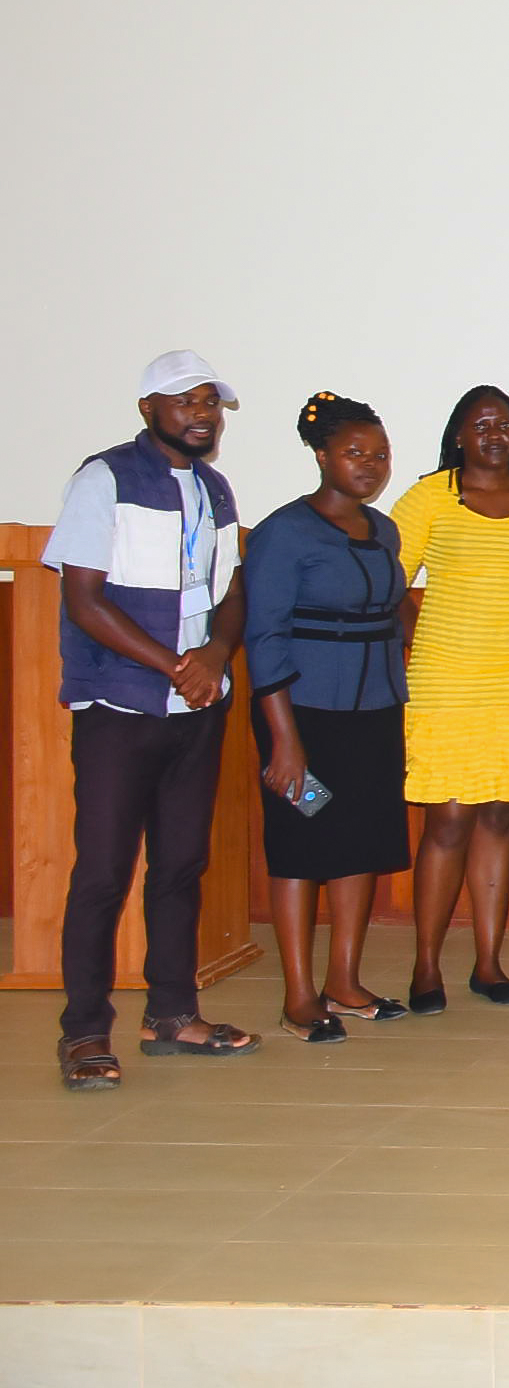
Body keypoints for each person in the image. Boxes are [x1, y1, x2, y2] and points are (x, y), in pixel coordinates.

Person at [44, 353, 259, 1088]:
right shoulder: (102, 479)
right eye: (185, 401)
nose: (203, 413)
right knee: (102, 872)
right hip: (119, 706)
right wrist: (177, 665)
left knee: (180, 867)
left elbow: (231, 588)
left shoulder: (215, 489)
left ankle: (172, 1013)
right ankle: (83, 1033)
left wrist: (217, 654)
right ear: (147, 410)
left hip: (195, 707)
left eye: (212, 402)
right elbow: (85, 601)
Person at [392, 385, 509, 1013]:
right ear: (459, 435)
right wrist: (426, 635)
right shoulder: (428, 498)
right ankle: (424, 967)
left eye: (506, 424)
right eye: (481, 424)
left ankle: (490, 964)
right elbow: (385, 579)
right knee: (446, 821)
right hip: (443, 685)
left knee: (499, 815)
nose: (494, 434)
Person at [243, 393, 413, 1042]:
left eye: (379, 454)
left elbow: (394, 613)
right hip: (302, 722)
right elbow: (264, 638)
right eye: (354, 453)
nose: (370, 464)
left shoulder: (385, 530)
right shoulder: (285, 532)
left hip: (373, 718)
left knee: (360, 842)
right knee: (302, 845)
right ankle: (297, 994)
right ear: (321, 456)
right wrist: (283, 741)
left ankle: (343, 982)